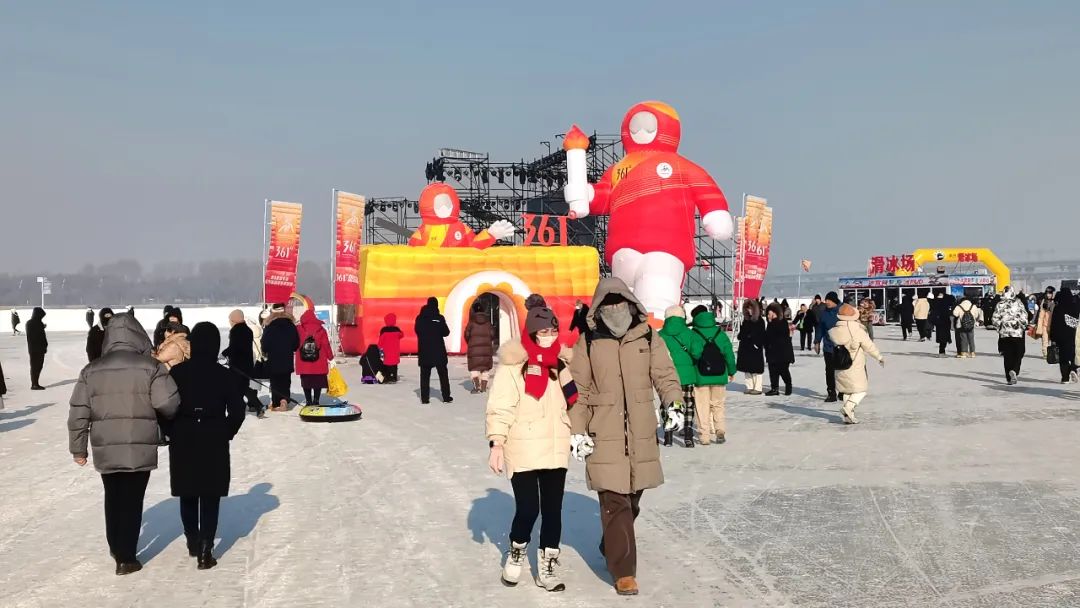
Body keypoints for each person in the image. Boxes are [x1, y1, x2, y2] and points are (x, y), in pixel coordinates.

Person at [568, 278, 683, 596]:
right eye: (608, 303)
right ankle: (624, 572)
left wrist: (673, 403)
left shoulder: (647, 335)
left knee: (632, 498)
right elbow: (577, 390)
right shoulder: (588, 341)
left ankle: (612, 543)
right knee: (614, 500)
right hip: (603, 429)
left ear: (631, 303)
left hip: (641, 428)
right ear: (598, 307)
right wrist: (576, 430)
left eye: (619, 302)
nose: (615, 308)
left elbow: (665, 374)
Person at [68, 313, 180, 575]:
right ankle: (126, 557)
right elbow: (167, 403)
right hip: (139, 444)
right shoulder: (151, 367)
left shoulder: (91, 370)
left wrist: (78, 448)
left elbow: (78, 412)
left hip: (105, 445)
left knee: (113, 495)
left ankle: (116, 546)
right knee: (132, 498)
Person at [485, 300, 575, 592]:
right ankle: (517, 550)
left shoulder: (561, 365)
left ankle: (548, 565)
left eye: (553, 330)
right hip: (522, 446)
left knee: (553, 510)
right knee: (528, 509)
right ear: (532, 332)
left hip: (555, 445)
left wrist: (580, 433)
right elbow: (500, 407)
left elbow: (574, 403)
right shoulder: (513, 366)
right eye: (543, 331)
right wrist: (497, 443)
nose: (549, 336)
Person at [164, 322, 246, 569]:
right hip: (214, 435)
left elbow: (164, 406)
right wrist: (226, 431)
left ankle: (192, 540)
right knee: (210, 494)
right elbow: (238, 410)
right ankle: (205, 549)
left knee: (188, 492)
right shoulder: (225, 375)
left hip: (183, 435)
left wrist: (170, 430)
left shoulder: (177, 373)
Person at [827, 304, 885, 424]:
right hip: (855, 365)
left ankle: (848, 416)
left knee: (846, 390)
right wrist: (879, 357)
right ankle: (848, 408)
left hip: (840, 364)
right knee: (861, 390)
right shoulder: (857, 331)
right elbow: (869, 346)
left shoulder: (835, 330)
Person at [687, 306, 737, 446]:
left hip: (700, 376)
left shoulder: (694, 333)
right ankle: (720, 429)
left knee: (702, 406)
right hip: (719, 374)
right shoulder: (720, 333)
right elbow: (729, 354)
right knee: (718, 404)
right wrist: (731, 371)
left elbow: (695, 353)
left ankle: (704, 436)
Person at [659, 305, 700, 447]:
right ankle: (688, 435)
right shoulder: (689, 333)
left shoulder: (660, 335)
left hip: (666, 376)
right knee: (688, 405)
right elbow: (697, 353)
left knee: (669, 403)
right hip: (687, 376)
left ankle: (668, 436)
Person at [223, 310, 264, 418]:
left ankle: (245, 407)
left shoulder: (235, 331)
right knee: (243, 387)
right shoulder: (247, 330)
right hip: (247, 364)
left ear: (234, 320)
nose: (229, 322)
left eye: (230, 320)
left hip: (237, 365)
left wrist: (223, 354)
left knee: (237, 387)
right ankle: (255, 406)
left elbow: (234, 347)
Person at [261, 303, 300, 412]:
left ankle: (276, 402)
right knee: (285, 381)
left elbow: (264, 345)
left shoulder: (269, 326)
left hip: (273, 359)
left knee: (275, 382)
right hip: (287, 358)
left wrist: (267, 351)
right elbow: (296, 344)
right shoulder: (291, 326)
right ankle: (284, 401)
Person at [416, 297, 452, 404]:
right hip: (438, 350)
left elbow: (417, 331)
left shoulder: (420, 318)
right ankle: (446, 396)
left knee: (425, 376)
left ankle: (425, 398)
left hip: (424, 350)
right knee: (443, 375)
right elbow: (446, 332)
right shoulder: (439, 317)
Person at [296, 308, 333, 406]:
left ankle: (308, 401)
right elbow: (326, 344)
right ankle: (316, 400)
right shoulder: (321, 329)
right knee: (318, 382)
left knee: (306, 382)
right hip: (318, 362)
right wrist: (330, 357)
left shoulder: (299, 329)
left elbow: (294, 343)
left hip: (304, 362)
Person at [993, 288, 1029, 385]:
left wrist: (1000, 328)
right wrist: (1022, 327)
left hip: (1005, 334)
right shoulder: (1019, 303)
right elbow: (1024, 318)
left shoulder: (1000, 304)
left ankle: (1009, 378)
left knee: (1007, 355)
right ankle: (1014, 370)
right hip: (1017, 333)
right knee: (1019, 353)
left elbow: (995, 319)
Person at [813, 292, 842, 402]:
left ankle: (842, 391)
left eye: (829, 300)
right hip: (828, 347)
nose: (827, 302)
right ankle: (831, 393)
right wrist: (817, 342)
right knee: (829, 371)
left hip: (842, 346)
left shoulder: (842, 310)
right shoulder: (824, 313)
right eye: (826, 300)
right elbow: (820, 328)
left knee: (841, 370)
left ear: (834, 301)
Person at [1049, 288, 1079, 383]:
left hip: (1060, 336)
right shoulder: (1075, 307)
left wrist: (1052, 337)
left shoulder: (1058, 308)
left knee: (1063, 357)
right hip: (1073, 335)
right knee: (1073, 354)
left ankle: (1065, 378)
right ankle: (1073, 369)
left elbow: (1053, 324)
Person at [764, 303, 795, 396]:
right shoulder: (770, 324)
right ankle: (774, 388)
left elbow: (783, 337)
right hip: (772, 351)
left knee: (783, 370)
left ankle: (788, 385)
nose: (768, 316)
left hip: (783, 352)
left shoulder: (783, 322)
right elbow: (767, 337)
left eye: (769, 314)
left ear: (775, 313)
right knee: (772, 370)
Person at [736, 299, 766, 395]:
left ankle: (757, 387)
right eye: (747, 309)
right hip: (745, 347)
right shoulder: (746, 320)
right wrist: (742, 336)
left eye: (750, 308)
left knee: (756, 369)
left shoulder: (760, 321)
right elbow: (742, 333)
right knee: (747, 368)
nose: (749, 310)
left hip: (754, 347)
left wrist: (756, 343)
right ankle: (749, 386)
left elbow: (761, 334)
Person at [464, 302, 495, 393]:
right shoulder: (488, 323)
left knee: (474, 368)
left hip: (474, 350)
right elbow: (492, 334)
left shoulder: (471, 323)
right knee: (485, 368)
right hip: (486, 350)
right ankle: (483, 387)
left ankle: (477, 386)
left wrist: (471, 342)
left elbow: (467, 335)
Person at [25, 306, 48, 390]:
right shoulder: (32, 323)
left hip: (39, 348)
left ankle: (35, 383)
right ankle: (34, 384)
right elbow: (35, 336)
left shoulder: (37, 323)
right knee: (35, 366)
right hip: (35, 349)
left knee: (39, 366)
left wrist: (42, 327)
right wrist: (41, 328)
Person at [377, 314, 403, 384]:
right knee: (394, 365)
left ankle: (388, 377)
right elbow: (401, 335)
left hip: (386, 352)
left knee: (386, 365)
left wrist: (380, 351)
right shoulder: (397, 329)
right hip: (395, 351)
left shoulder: (383, 330)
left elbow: (380, 343)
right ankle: (394, 377)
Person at [1035, 286, 1057, 358]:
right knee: (1045, 340)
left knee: (1054, 341)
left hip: (1054, 325)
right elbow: (1041, 316)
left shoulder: (1056, 302)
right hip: (1045, 325)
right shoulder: (1044, 302)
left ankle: (1054, 354)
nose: (1048, 295)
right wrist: (1039, 327)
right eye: (1047, 293)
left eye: (1050, 293)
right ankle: (1045, 354)